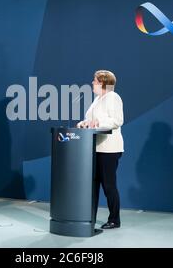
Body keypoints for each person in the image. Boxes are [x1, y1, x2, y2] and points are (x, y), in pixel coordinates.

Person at [77, 70, 124, 229]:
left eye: (95, 80)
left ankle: (114, 219)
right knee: (93, 184)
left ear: (103, 83)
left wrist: (97, 122)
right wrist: (83, 124)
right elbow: (90, 119)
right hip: (95, 148)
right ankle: (90, 216)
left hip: (109, 148)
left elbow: (117, 120)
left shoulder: (113, 97)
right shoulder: (98, 99)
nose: (92, 82)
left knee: (109, 185)